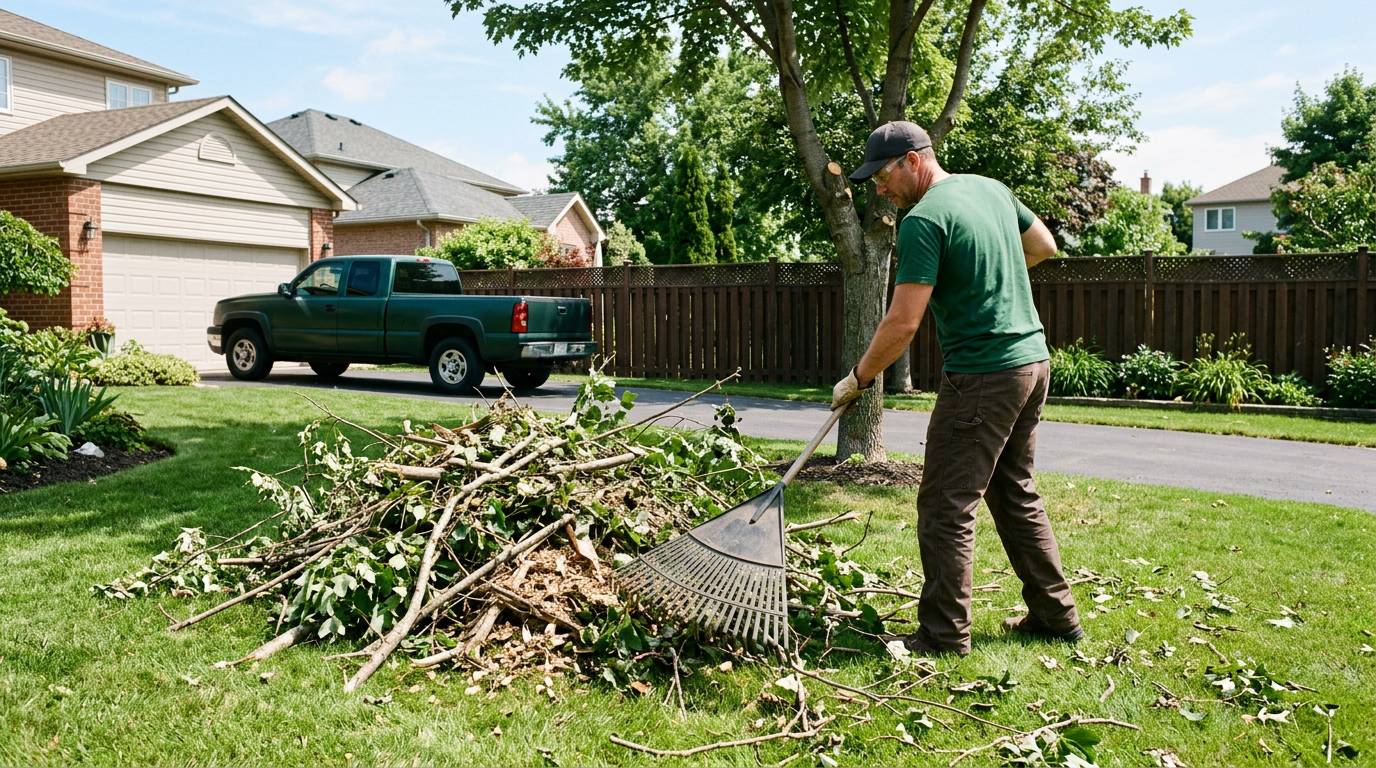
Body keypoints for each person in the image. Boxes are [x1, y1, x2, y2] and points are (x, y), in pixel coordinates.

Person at [831, 121, 1082, 656]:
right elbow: (1044, 245)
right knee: (1013, 490)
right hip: (1031, 363)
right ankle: (1055, 616)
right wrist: (986, 277)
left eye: (881, 175)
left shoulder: (923, 221)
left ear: (913, 161)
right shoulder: (990, 189)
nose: (878, 188)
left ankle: (944, 635)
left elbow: (902, 323)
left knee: (947, 502)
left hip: (984, 374)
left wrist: (858, 378)